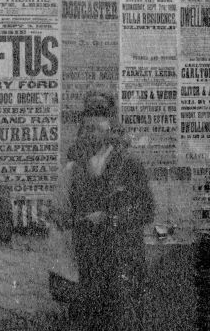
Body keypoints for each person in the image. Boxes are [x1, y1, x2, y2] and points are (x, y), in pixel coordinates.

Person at [62, 92, 154, 331]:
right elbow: (71, 207)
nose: (92, 130)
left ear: (111, 126)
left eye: (99, 121)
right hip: (88, 257)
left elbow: (146, 210)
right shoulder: (77, 167)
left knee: (120, 319)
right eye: (88, 124)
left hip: (121, 257)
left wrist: (109, 219)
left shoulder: (129, 164)